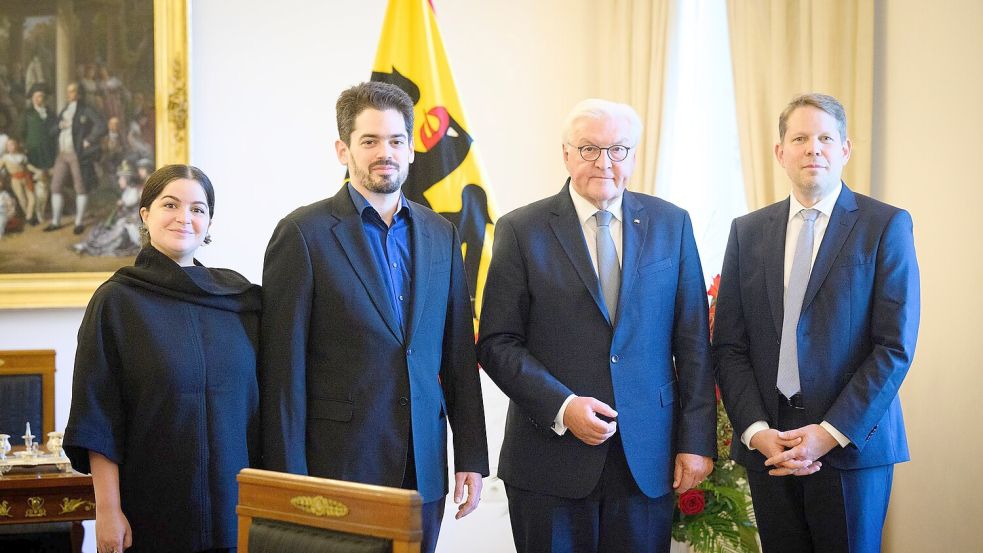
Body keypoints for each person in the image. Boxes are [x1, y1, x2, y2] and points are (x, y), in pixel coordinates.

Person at [477, 98, 717, 553]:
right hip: (549, 460)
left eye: (617, 149)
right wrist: (563, 406)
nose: (604, 162)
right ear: (566, 154)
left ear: (633, 155)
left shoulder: (672, 224)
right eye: (589, 148)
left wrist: (696, 441)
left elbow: (693, 344)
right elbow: (497, 342)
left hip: (646, 458)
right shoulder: (521, 229)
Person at [260, 81, 488, 553]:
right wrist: (288, 481)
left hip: (423, 467)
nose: (385, 152)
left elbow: (457, 355)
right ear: (342, 150)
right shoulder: (302, 234)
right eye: (369, 141)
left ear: (410, 150)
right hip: (338, 469)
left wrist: (470, 453)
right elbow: (283, 371)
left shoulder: (441, 233)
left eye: (396, 140)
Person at [713, 93, 920, 553]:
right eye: (800, 138)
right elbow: (729, 345)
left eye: (826, 138)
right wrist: (755, 431)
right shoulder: (747, 232)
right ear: (779, 151)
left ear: (845, 149)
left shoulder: (884, 225)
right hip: (771, 445)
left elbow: (894, 347)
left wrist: (829, 433)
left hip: (850, 444)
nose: (813, 149)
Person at [64, 164, 261, 553]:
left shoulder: (241, 302)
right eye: (170, 205)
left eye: (197, 209)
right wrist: (107, 511)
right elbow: (98, 415)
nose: (184, 217)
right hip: (153, 511)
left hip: (237, 511)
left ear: (209, 222)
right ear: (145, 215)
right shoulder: (116, 302)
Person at [47, 81, 106, 234]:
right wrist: (59, 126)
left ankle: (79, 222)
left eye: (72, 91)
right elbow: (52, 131)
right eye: (68, 91)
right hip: (62, 154)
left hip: (77, 154)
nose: (69, 94)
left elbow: (101, 125)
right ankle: (55, 221)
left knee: (80, 187)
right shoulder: (64, 110)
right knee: (55, 186)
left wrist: (89, 140)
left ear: (79, 93)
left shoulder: (86, 110)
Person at [72, 159, 143, 257]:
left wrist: (122, 204)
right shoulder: (127, 191)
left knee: (114, 234)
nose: (119, 181)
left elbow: (131, 205)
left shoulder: (134, 192)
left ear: (127, 179)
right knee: (100, 228)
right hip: (123, 221)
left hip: (131, 226)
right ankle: (85, 245)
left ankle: (89, 247)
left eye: (121, 179)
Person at [20, 83, 57, 225]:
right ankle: (33, 213)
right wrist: (25, 148)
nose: (37, 99)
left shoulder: (50, 114)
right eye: (35, 97)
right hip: (33, 153)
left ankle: (40, 212)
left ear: (44, 98)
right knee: (34, 183)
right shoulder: (27, 114)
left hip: (47, 152)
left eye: (40, 96)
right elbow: (21, 133)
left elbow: (55, 133)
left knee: (45, 183)